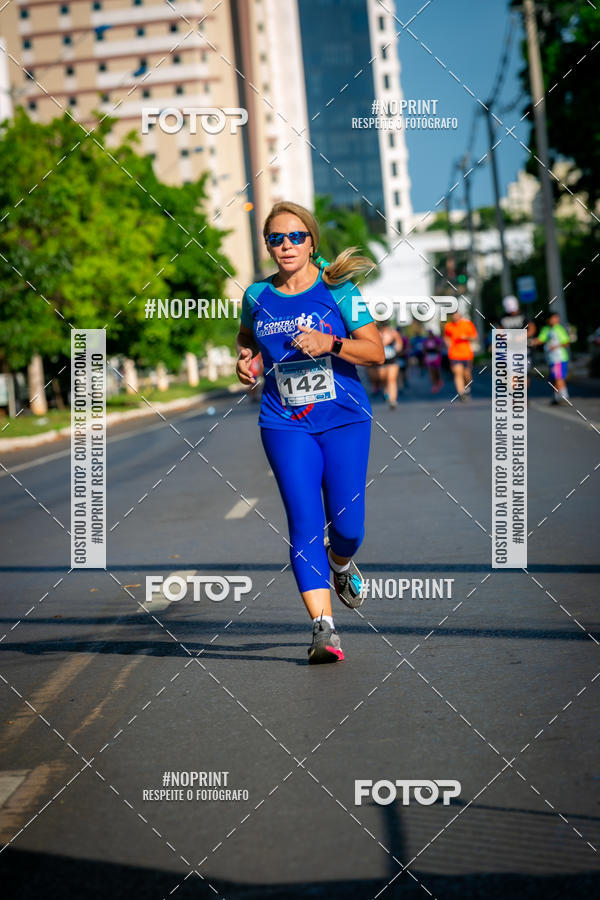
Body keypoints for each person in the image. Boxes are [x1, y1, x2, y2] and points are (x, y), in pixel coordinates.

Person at [235, 201, 384, 664]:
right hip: (284, 422)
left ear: (311, 241)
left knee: (347, 527)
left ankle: (340, 562)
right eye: (276, 239)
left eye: (295, 236)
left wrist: (330, 343)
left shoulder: (337, 290)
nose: (285, 246)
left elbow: (375, 350)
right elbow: (246, 338)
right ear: (268, 246)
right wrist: (246, 362)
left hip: (343, 419)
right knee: (303, 522)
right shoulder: (257, 295)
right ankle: (324, 629)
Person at [535, 311, 571, 404]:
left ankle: (564, 396)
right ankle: (556, 397)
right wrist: (531, 342)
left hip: (559, 358)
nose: (555, 320)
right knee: (553, 378)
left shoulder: (559, 329)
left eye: (556, 318)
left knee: (558, 377)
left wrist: (556, 346)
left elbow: (566, 342)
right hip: (550, 359)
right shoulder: (546, 329)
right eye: (553, 318)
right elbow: (540, 339)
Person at [443, 309, 478, 401]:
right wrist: (448, 344)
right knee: (458, 372)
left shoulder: (467, 324)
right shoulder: (448, 326)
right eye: (453, 315)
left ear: (460, 315)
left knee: (467, 374)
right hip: (454, 353)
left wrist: (466, 337)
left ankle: (467, 387)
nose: (455, 317)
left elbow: (474, 337)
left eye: (456, 315)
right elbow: (446, 337)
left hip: (466, 353)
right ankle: (461, 393)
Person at [376, 320, 403, 408]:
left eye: (386, 325)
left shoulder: (393, 333)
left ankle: (393, 400)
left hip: (392, 359)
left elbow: (399, 343)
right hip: (382, 359)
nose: (385, 327)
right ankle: (385, 393)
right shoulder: (378, 333)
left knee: (391, 380)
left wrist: (397, 348)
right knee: (383, 378)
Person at [423, 329, 444, 393]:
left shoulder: (436, 339)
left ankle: (439, 380)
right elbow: (424, 349)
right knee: (431, 372)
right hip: (429, 357)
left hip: (436, 356)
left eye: (430, 334)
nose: (429, 335)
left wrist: (436, 348)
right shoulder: (426, 340)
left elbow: (441, 346)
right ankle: (434, 386)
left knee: (437, 370)